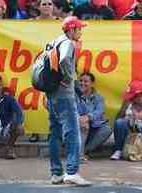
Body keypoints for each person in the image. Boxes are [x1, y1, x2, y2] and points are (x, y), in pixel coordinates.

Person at [44, 17, 91, 186]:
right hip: (64, 95)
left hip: (52, 95)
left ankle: (56, 173)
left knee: (55, 135)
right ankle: (71, 172)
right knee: (73, 135)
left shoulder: (54, 41)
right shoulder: (68, 44)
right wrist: (69, 77)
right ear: (71, 30)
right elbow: (64, 60)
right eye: (79, 29)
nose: (80, 32)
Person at [111, 80, 142, 161]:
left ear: (141, 95)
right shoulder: (128, 101)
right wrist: (127, 116)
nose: (132, 98)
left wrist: (140, 117)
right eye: (131, 96)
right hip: (129, 130)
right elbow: (118, 118)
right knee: (119, 123)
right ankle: (118, 150)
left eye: (134, 96)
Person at [76, 72, 112, 159]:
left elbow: (99, 112)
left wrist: (88, 117)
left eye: (86, 81)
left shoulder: (99, 98)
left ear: (92, 84)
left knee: (107, 129)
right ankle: (79, 155)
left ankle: (84, 151)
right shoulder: (75, 96)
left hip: (94, 127)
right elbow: (72, 111)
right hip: (78, 127)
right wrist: (80, 119)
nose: (82, 83)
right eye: (80, 81)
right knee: (83, 124)